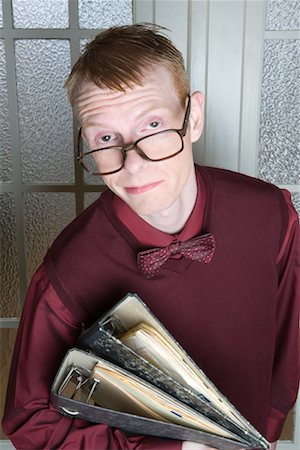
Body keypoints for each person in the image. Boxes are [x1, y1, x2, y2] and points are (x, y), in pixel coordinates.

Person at [2, 23, 299, 450]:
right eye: (106, 138)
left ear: (193, 118)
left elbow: (288, 345)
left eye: (153, 125)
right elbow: (29, 418)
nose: (133, 164)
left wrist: (263, 433)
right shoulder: (68, 267)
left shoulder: (271, 213)